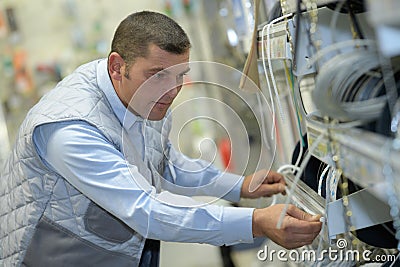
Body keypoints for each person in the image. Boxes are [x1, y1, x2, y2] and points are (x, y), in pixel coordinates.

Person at [0, 11, 322, 267]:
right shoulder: (70, 130)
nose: (172, 90)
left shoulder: (144, 96)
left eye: (179, 75)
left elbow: (166, 163)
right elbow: (145, 209)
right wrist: (255, 222)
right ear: (117, 66)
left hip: (122, 250)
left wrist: (237, 185)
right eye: (157, 75)